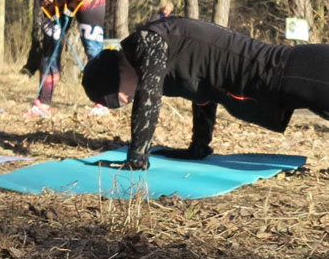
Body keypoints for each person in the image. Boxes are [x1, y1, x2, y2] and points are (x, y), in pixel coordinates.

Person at [82, 14, 329, 169]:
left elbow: (149, 98)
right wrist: (198, 147)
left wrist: (136, 157)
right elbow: (202, 95)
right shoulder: (162, 66)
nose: (125, 101)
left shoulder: (148, 42)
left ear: (114, 76)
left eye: (116, 99)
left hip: (292, 68)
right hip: (279, 83)